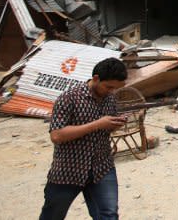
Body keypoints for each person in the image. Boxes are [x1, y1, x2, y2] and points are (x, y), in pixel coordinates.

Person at [39, 57, 128, 220]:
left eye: (115, 88)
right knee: (53, 215)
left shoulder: (110, 99)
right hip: (69, 170)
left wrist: (114, 124)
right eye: (108, 87)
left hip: (102, 167)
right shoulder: (69, 98)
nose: (111, 91)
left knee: (109, 214)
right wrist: (97, 124)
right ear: (96, 78)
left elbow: (105, 127)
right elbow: (56, 135)